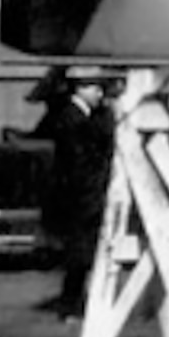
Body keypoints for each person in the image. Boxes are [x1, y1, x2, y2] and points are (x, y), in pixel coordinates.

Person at [30, 67, 118, 319]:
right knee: (80, 253)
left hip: (85, 193)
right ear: (80, 88)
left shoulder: (87, 115)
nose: (99, 93)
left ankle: (77, 301)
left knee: (84, 252)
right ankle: (71, 303)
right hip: (78, 195)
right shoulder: (70, 117)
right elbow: (82, 159)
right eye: (94, 87)